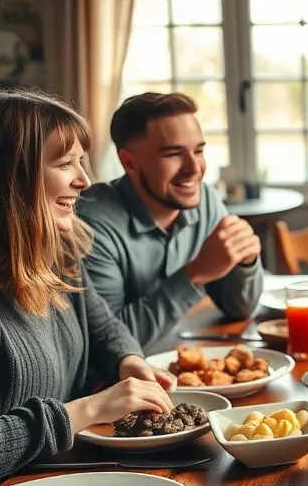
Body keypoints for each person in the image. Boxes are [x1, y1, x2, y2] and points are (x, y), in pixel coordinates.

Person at [0, 88, 175, 486]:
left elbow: (102, 328)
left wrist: (127, 361)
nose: (84, 180)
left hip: (52, 483)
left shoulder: (55, 249)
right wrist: (88, 411)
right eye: (65, 164)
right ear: (7, 177)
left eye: (81, 160)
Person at [77, 93, 264, 353]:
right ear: (129, 163)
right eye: (174, 154)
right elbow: (107, 344)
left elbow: (240, 307)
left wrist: (245, 263)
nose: (194, 168)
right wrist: (195, 274)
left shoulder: (205, 200)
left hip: (184, 359)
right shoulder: (89, 223)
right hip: (118, 385)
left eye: (198, 150)